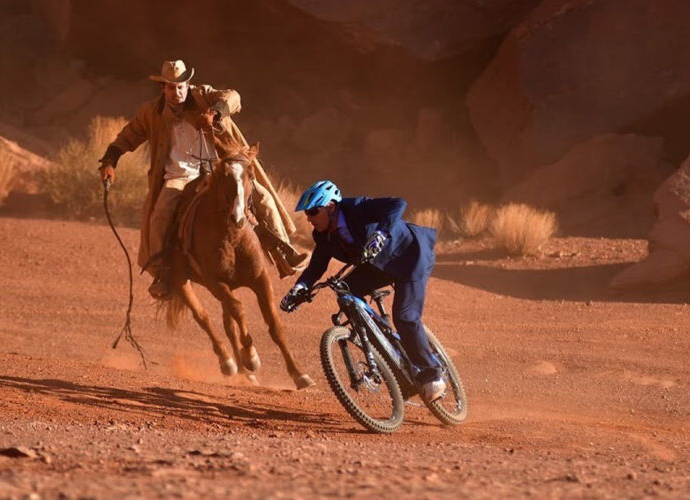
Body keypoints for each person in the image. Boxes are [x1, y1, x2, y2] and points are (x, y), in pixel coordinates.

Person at [98, 59, 307, 298]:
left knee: (264, 198)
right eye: (170, 87)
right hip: (179, 175)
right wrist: (110, 160)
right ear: (163, 88)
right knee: (160, 215)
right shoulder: (152, 113)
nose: (176, 92)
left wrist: (215, 112)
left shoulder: (203, 96)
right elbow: (129, 135)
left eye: (180, 86)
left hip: (218, 169)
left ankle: (284, 253)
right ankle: (163, 274)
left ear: (188, 85)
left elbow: (234, 97)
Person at [279, 180, 446, 402]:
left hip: (410, 256)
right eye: (307, 213)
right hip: (378, 264)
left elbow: (398, 204)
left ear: (330, 206)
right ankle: (390, 350)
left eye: (312, 211)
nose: (308, 218)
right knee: (346, 292)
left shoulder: (356, 208)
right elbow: (317, 266)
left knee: (405, 317)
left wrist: (380, 234)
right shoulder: (322, 235)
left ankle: (432, 373)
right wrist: (298, 289)